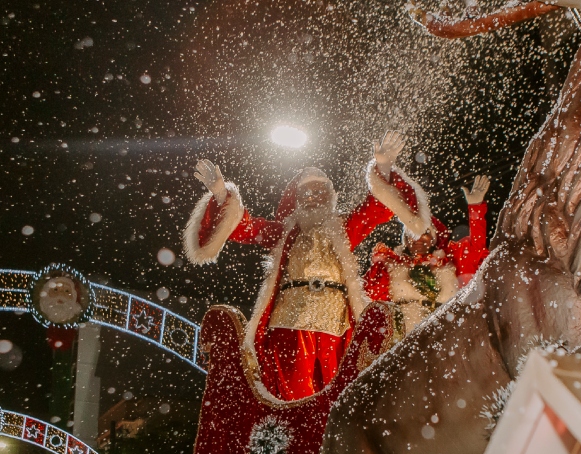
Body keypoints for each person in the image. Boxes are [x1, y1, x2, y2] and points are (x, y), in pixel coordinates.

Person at [184, 131, 434, 400]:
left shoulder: (344, 228)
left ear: (330, 196)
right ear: (296, 197)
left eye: (320, 190)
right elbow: (245, 228)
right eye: (308, 191)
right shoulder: (285, 232)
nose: (315, 196)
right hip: (290, 321)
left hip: (335, 324)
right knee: (294, 392)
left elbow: (376, 209)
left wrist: (383, 167)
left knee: (336, 393)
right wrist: (222, 194)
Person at [364, 175, 492, 336]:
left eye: (424, 232)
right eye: (411, 232)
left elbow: (476, 249)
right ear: (405, 240)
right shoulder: (390, 266)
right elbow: (369, 301)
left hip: (443, 333)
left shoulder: (448, 261)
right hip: (404, 337)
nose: (417, 237)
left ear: (434, 238)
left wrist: (475, 208)